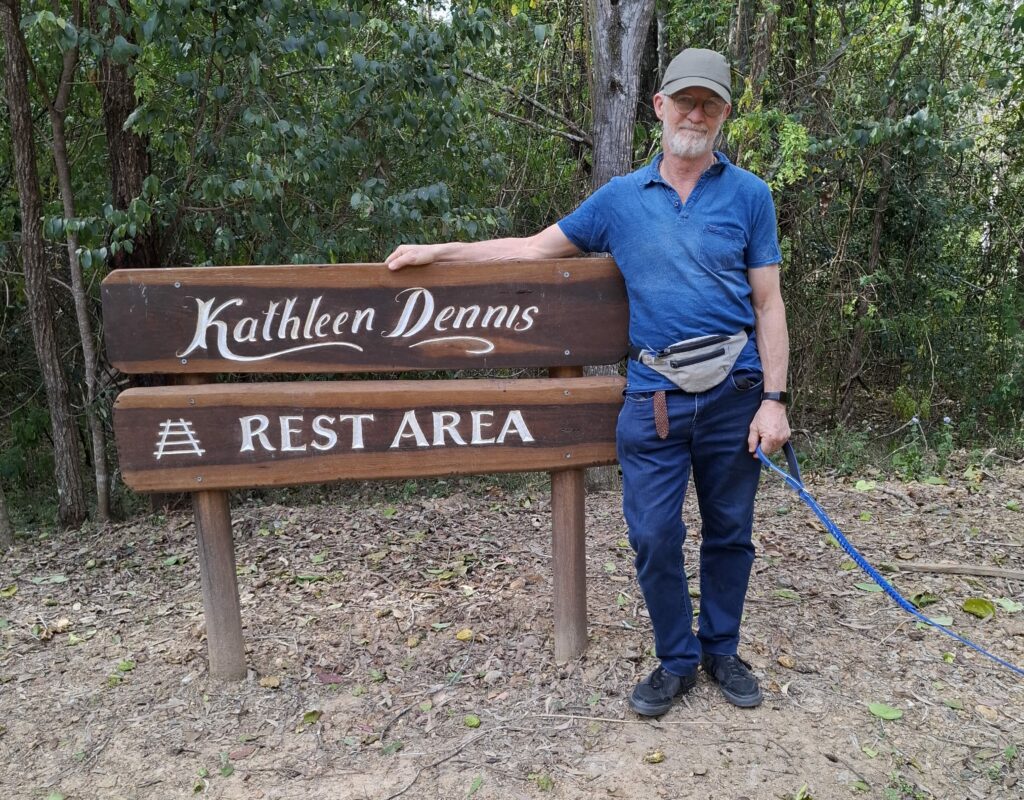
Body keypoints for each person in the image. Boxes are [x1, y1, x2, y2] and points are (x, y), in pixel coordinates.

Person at [385, 48, 790, 715]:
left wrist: (774, 401)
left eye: (709, 104)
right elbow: (530, 248)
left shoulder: (750, 196)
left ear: (723, 116)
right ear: (659, 106)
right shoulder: (620, 200)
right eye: (684, 101)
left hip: (735, 392)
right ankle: (677, 660)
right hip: (654, 396)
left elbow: (769, 304)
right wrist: (441, 253)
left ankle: (721, 650)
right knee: (653, 535)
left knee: (730, 531)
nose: (695, 114)